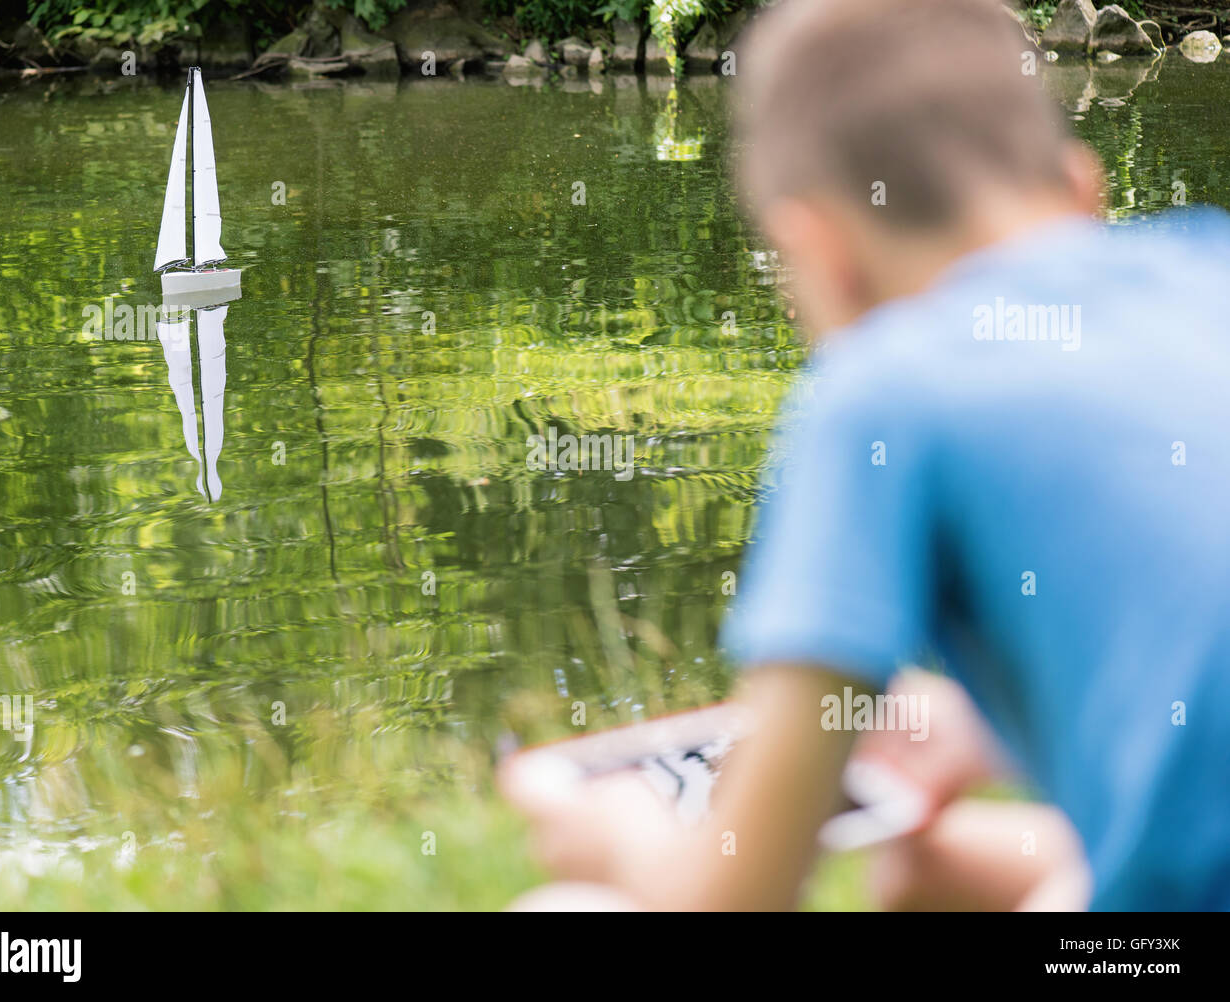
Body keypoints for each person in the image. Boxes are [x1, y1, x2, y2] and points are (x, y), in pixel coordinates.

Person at [501, 0, 1230, 911]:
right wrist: (984, 723)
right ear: (1087, 191)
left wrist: (618, 832)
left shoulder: (886, 388)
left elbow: (729, 898)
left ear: (821, 255)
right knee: (934, 873)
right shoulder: (1212, 262)